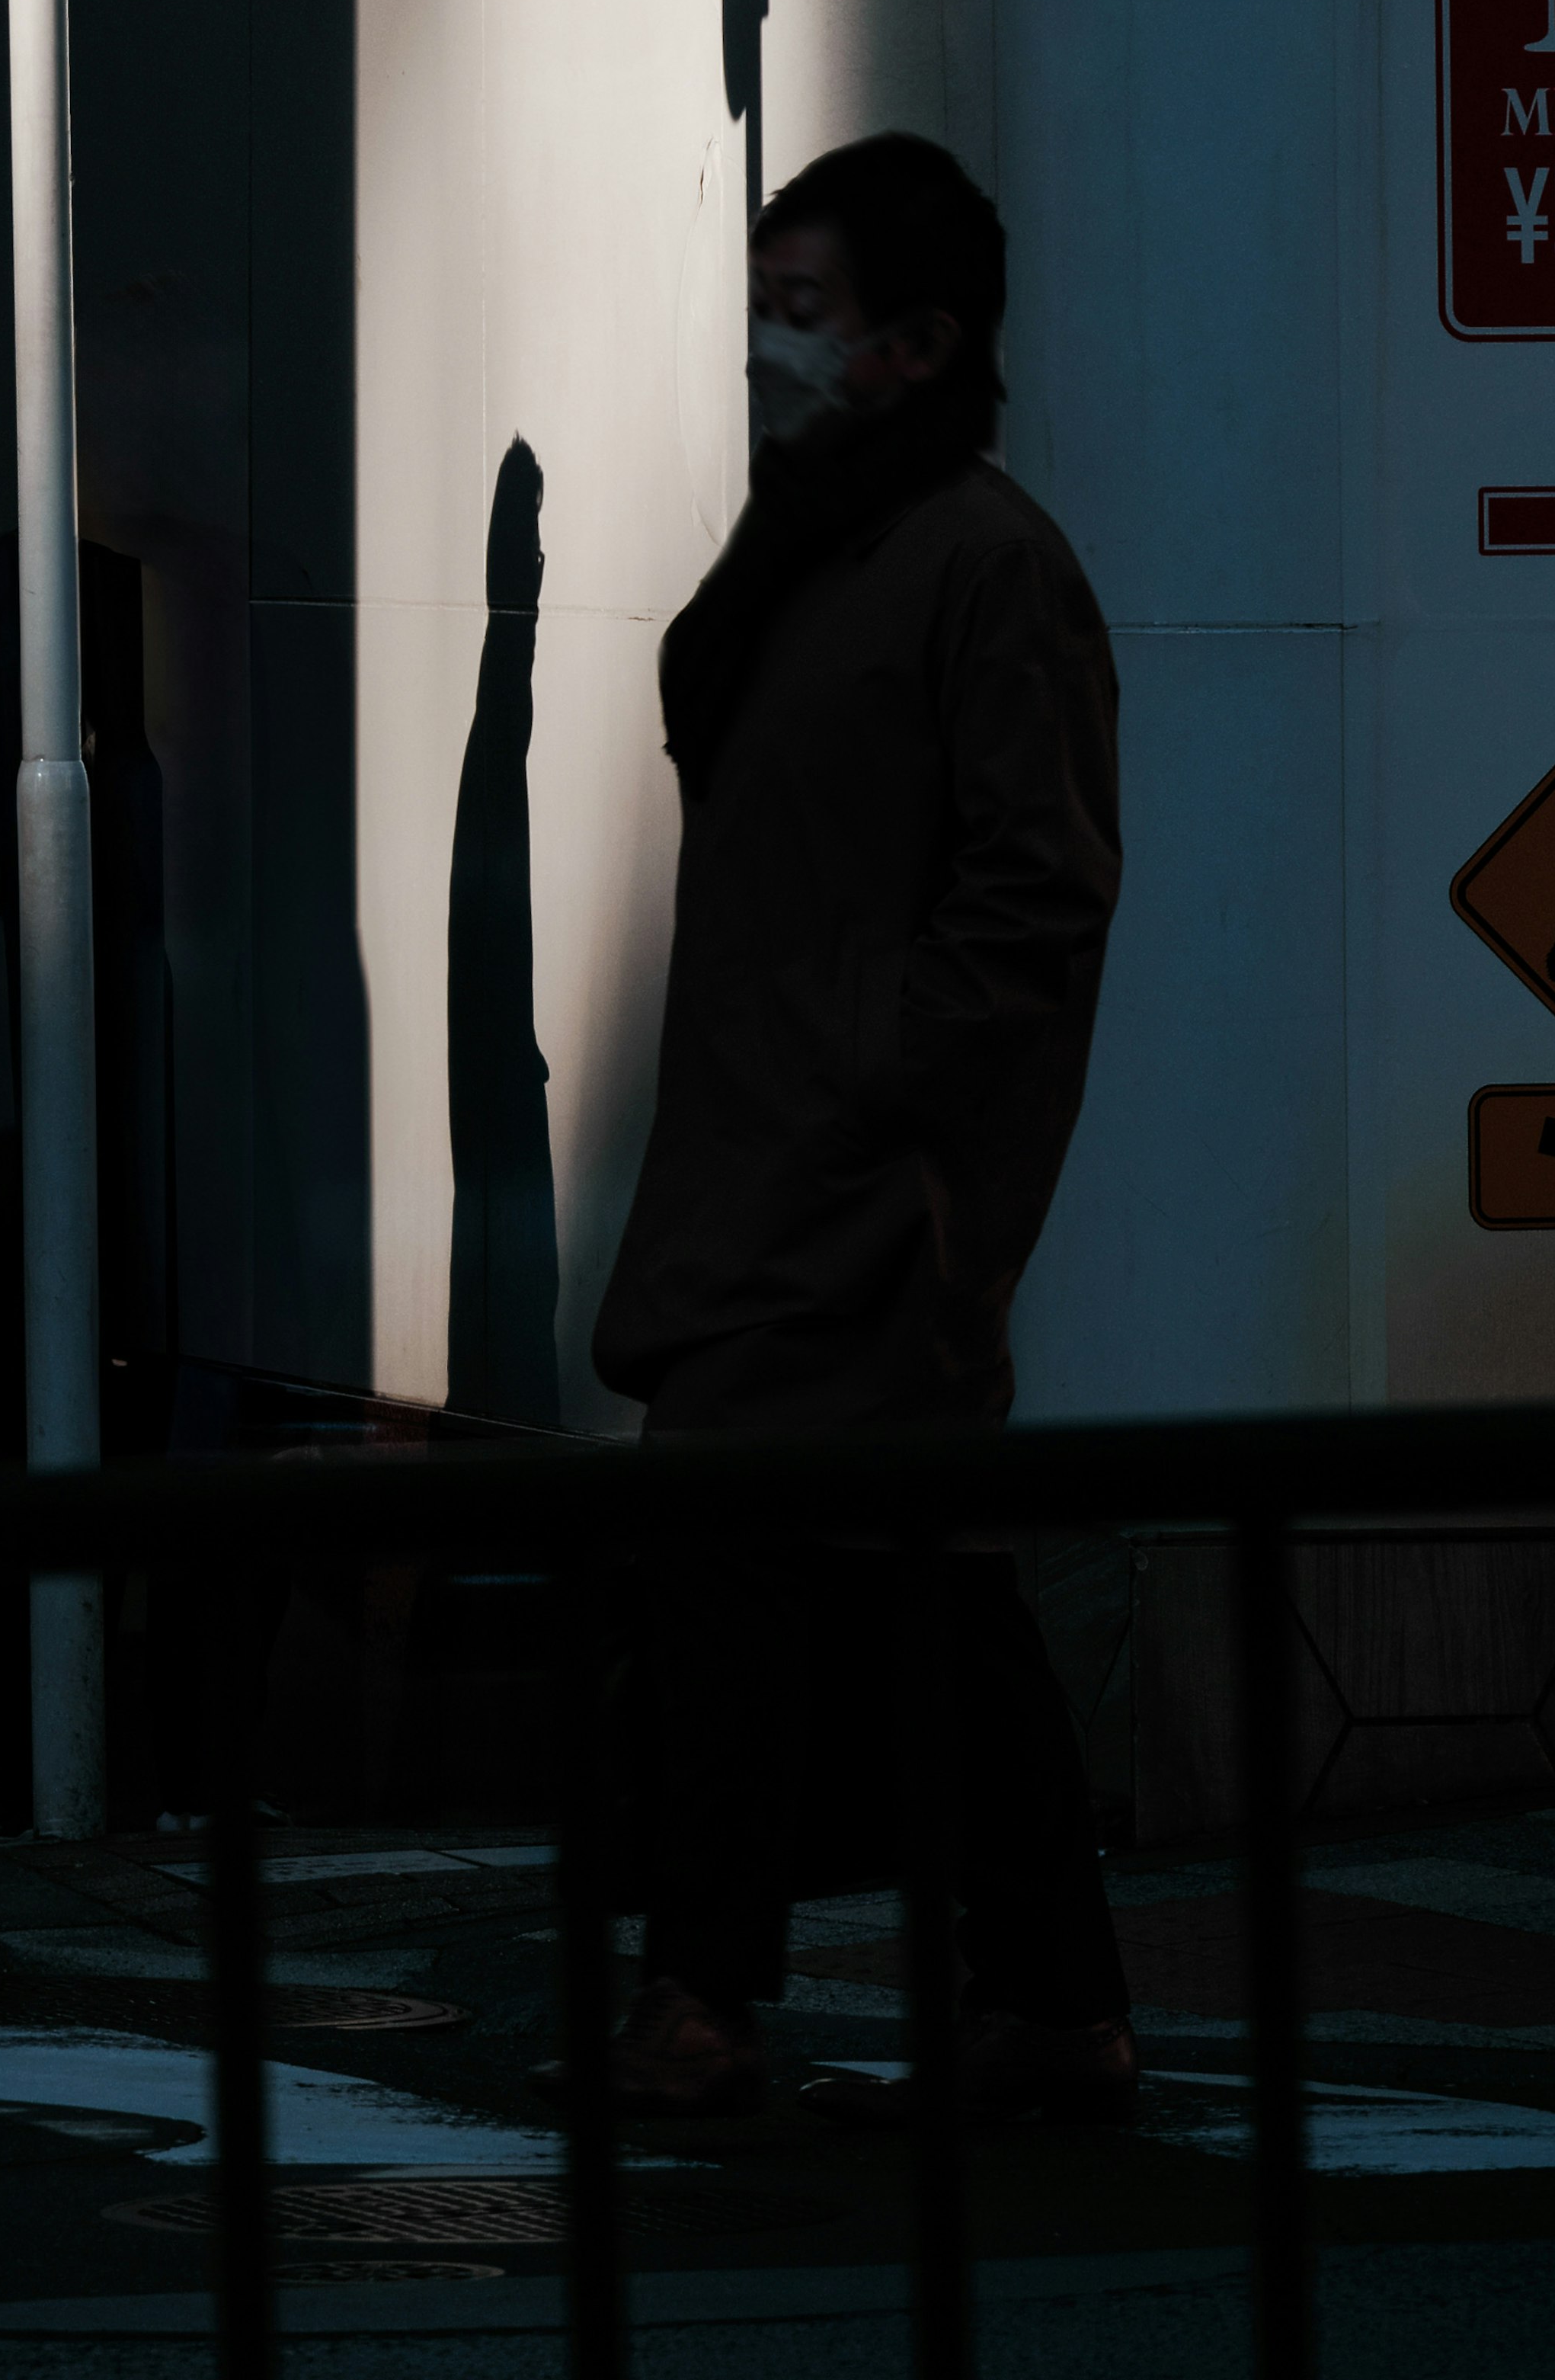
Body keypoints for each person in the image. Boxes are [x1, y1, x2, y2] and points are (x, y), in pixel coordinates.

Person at [591, 131, 1131, 2125]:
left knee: (734, 1547)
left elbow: (1032, 898)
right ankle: (1048, 1991)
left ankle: (711, 1989)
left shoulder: (980, 567)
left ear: (916, 344)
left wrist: (881, 1096)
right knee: (914, 1574)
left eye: (802, 313)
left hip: (856, 1178)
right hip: (797, 1156)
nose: (764, 347)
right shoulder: (833, 552)